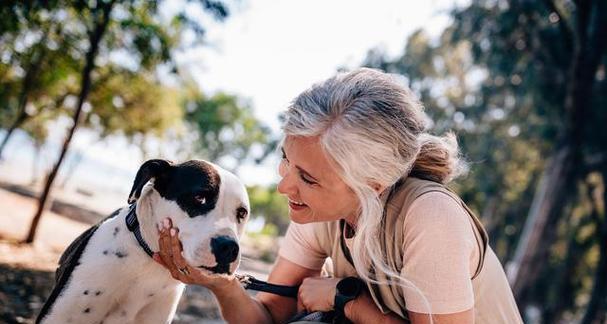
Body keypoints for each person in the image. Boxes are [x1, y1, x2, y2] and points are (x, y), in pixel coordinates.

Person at [153, 68, 523, 323]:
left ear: (373, 185)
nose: (285, 187)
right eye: (286, 161)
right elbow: (267, 318)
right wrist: (220, 284)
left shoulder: (430, 217)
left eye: (309, 179)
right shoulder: (318, 211)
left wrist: (346, 300)